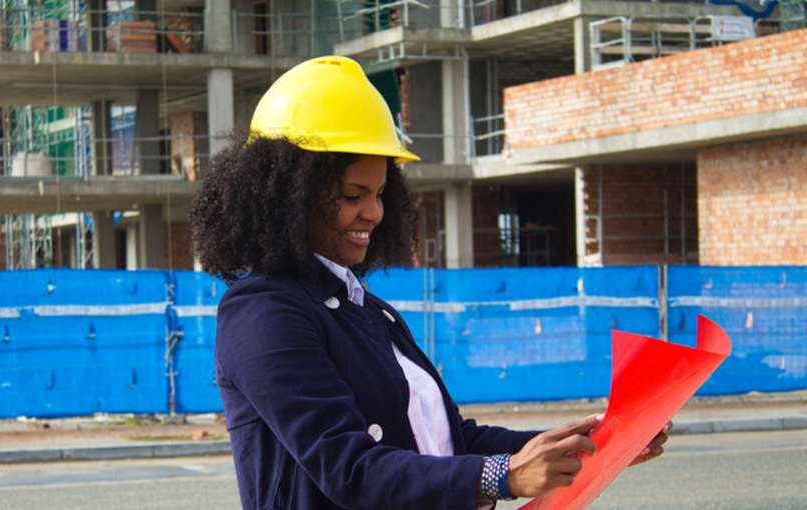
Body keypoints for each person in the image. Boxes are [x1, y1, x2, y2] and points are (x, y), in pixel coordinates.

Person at [187, 55, 668, 510]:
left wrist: (591, 444)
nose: (374, 213)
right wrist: (501, 475)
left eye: (379, 193)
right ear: (286, 196)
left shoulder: (368, 311)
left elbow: (448, 441)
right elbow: (348, 467)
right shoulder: (262, 312)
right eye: (353, 194)